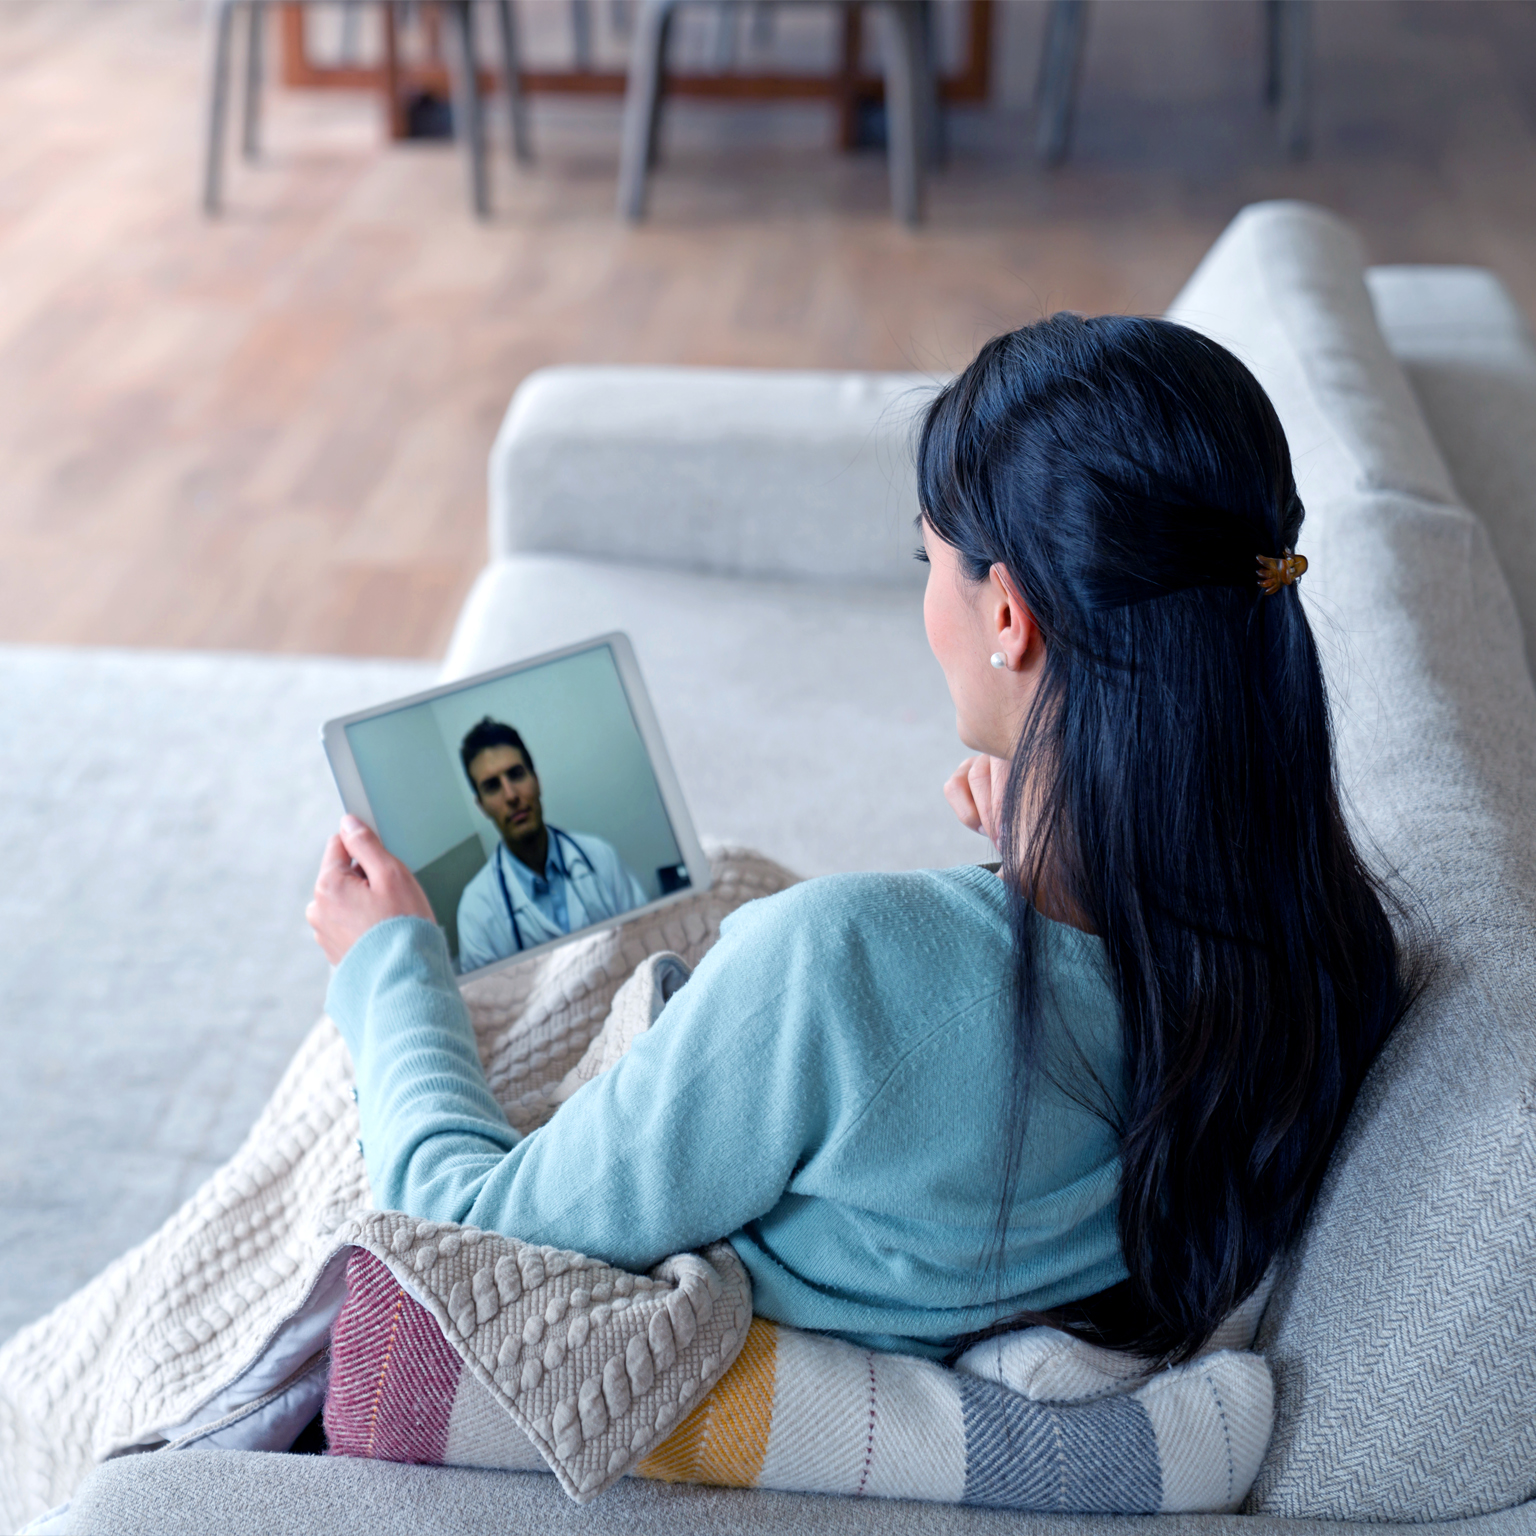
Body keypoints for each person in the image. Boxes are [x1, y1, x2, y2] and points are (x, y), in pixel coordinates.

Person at [307, 314, 1415, 1364]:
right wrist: (1054, 849)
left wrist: (387, 969)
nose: (926, 594)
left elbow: (461, 1232)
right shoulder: (1324, 954)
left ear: (1007, 618)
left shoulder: (838, 968)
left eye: (928, 560)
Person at [452, 717, 649, 972]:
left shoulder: (600, 856)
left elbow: (650, 937)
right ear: (482, 806)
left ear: (536, 780)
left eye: (516, 774)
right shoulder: (476, 910)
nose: (511, 795)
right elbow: (493, 1008)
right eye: (492, 787)